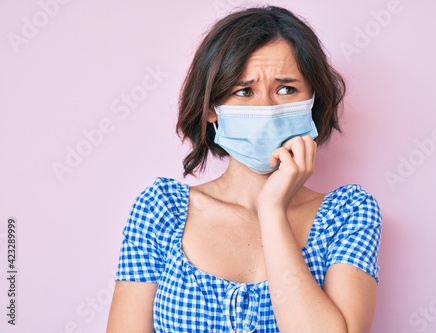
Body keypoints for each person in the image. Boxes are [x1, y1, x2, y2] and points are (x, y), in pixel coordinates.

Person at [107, 5, 382, 333]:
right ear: (212, 110)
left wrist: (272, 210)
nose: (265, 108)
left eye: (286, 89)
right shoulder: (159, 210)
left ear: (313, 101)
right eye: (243, 91)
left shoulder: (349, 214)